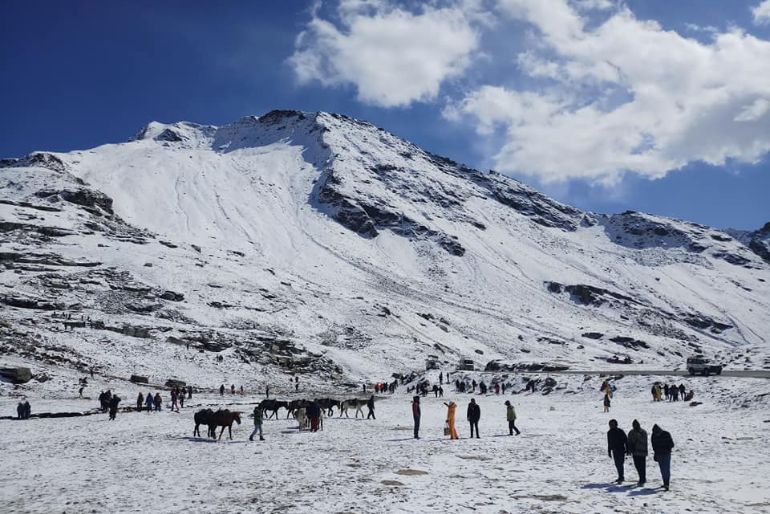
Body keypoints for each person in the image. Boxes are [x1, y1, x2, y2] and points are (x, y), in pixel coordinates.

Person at [651, 424, 675, 491]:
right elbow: (653, 446)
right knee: (663, 469)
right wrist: (655, 454)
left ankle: (667, 484)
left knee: (666, 469)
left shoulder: (666, 434)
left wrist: (665, 447)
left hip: (666, 454)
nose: (657, 434)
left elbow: (672, 444)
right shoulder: (654, 435)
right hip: (659, 454)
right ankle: (665, 483)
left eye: (657, 433)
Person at [626, 419, 648, 486]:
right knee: (637, 466)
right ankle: (641, 477)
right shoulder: (631, 432)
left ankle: (642, 479)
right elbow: (628, 442)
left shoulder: (643, 432)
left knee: (642, 466)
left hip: (642, 452)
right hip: (635, 452)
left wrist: (638, 437)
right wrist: (628, 450)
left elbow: (645, 442)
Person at [607, 419, 627, 483]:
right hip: (614, 451)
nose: (611, 426)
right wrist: (609, 451)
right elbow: (609, 442)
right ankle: (620, 476)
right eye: (610, 424)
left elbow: (626, 440)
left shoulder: (620, 431)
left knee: (620, 464)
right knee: (617, 464)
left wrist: (627, 449)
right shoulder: (609, 432)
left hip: (621, 450)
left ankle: (621, 477)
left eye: (612, 424)